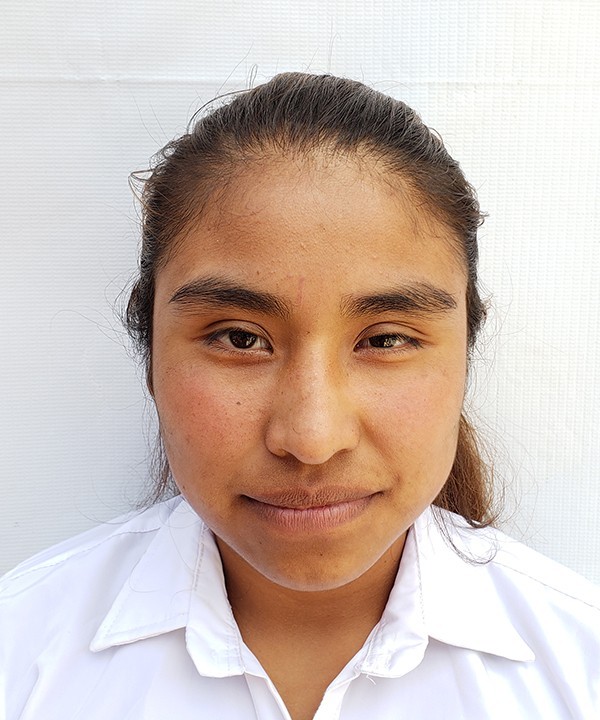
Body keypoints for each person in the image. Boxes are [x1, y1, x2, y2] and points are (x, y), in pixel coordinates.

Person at [1, 72, 598, 720]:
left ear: (464, 358)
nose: (312, 438)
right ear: (151, 358)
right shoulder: (22, 656)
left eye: (386, 340)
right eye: (240, 338)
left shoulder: (579, 668)